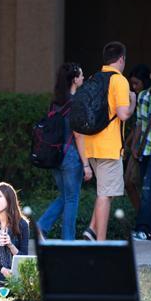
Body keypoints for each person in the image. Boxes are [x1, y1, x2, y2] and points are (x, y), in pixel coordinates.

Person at [83, 41, 136, 241]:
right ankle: (100, 241)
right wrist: (133, 102)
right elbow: (123, 114)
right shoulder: (119, 81)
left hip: (91, 145)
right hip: (109, 146)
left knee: (108, 190)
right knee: (106, 194)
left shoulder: (93, 78)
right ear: (121, 59)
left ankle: (91, 228)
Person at [37, 62, 93, 240]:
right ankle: (68, 240)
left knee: (65, 196)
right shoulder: (76, 103)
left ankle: (42, 226)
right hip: (71, 158)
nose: (83, 78)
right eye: (81, 75)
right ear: (75, 80)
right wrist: (86, 165)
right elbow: (78, 135)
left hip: (54, 156)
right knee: (71, 199)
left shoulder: (55, 103)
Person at [125, 64, 151, 239]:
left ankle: (142, 229)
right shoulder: (143, 97)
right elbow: (140, 123)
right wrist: (134, 147)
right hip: (144, 150)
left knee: (148, 188)